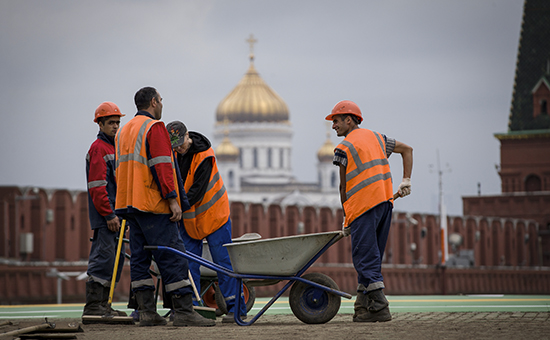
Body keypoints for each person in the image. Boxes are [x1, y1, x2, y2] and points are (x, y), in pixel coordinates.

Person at [114, 87, 215, 327]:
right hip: (152, 204)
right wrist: (172, 199)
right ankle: (183, 311)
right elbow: (162, 165)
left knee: (139, 258)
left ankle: (147, 312)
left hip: (129, 205)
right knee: (173, 256)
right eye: (160, 100)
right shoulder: (154, 128)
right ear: (153, 102)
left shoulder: (124, 131)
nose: (162, 104)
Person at [325, 100, 413, 323]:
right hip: (385, 204)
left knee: (364, 257)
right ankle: (363, 308)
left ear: (349, 119)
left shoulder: (343, 148)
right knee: (372, 257)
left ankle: (380, 306)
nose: (333, 126)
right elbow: (407, 149)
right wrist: (406, 181)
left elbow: (343, 186)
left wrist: (347, 215)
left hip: (363, 207)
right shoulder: (378, 138)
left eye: (336, 121)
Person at [165, 121, 247, 323]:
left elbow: (196, 191)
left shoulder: (205, 155)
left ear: (187, 137)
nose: (178, 148)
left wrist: (175, 207)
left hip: (214, 216)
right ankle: (192, 308)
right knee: (188, 263)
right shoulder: (174, 154)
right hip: (191, 219)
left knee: (223, 263)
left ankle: (236, 309)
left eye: (180, 144)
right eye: (173, 145)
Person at [83, 101, 127, 318]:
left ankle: (105, 306)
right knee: (103, 259)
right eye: (111, 122)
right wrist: (109, 214)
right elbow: (97, 186)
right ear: (100, 124)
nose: (116, 126)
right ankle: (94, 307)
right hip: (106, 218)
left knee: (115, 261)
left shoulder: (115, 148)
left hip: (117, 217)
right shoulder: (99, 148)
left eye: (118, 122)